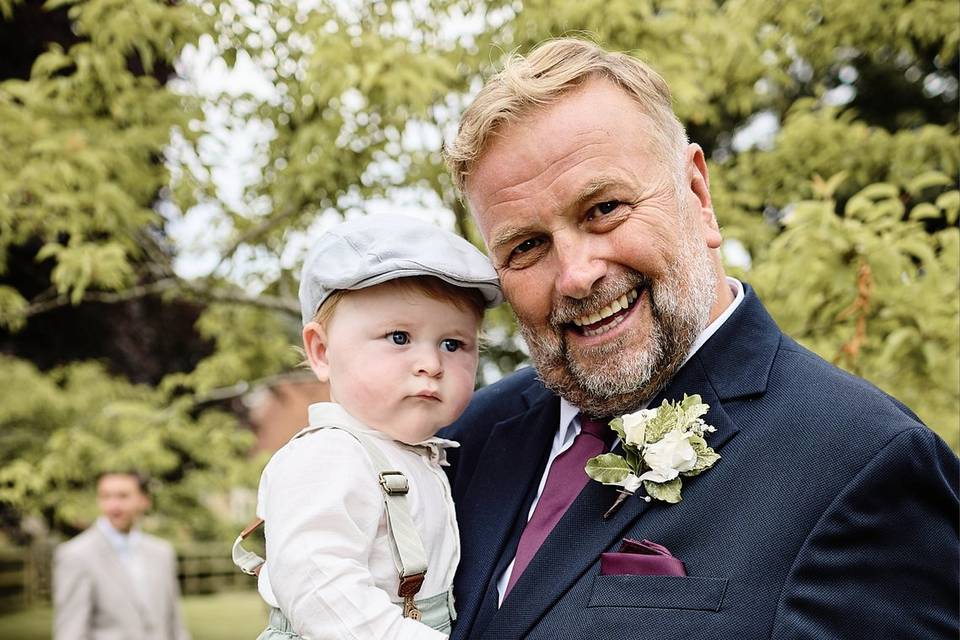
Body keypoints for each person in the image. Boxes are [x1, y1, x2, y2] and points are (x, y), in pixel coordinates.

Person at [441, 38, 959, 640]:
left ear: (697, 195)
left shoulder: (863, 463)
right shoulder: (462, 440)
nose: (577, 274)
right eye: (526, 247)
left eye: (604, 208)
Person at [234, 214, 502, 639]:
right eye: (399, 337)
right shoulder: (328, 457)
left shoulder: (417, 455)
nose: (430, 364)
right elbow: (320, 589)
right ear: (322, 352)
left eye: (453, 344)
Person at [52, 471, 190, 640]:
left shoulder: (163, 553)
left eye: (123, 496)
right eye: (106, 496)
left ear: (144, 500)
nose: (113, 506)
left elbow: (174, 623)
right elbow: (71, 632)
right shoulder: (75, 555)